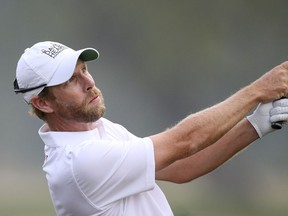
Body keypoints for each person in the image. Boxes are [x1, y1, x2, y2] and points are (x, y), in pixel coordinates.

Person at [14, 41, 288, 216]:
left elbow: (181, 166)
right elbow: (184, 141)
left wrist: (257, 124)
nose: (88, 82)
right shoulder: (80, 162)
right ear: (43, 103)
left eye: (84, 69)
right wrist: (256, 91)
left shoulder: (98, 130)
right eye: (71, 80)